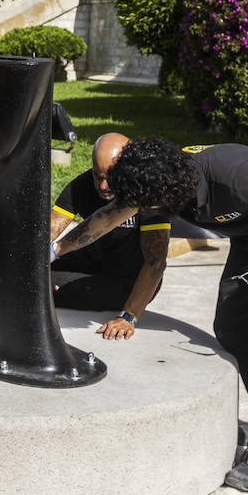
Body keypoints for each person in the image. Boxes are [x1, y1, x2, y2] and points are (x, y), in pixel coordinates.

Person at [54, 139, 248, 493]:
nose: (142, 211)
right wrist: (54, 250)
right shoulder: (154, 179)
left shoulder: (235, 175)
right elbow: (104, 220)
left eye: (147, 205)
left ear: (168, 191)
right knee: (231, 328)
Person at [48, 132, 170, 340]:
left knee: (41, 286)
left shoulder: (148, 193)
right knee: (30, 274)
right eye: (98, 175)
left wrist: (129, 316)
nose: (104, 186)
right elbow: (48, 230)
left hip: (127, 280)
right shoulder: (82, 185)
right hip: (91, 263)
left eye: (111, 176)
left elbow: (155, 262)